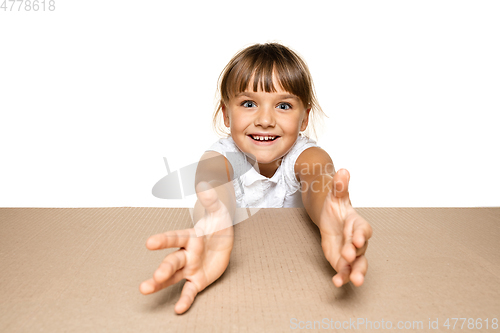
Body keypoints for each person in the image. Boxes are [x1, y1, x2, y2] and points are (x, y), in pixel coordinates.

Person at [139, 43, 373, 314]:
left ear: (304, 118)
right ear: (226, 114)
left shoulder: (305, 155)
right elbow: (213, 188)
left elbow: (318, 179)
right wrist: (211, 224)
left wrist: (332, 214)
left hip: (291, 274)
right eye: (249, 103)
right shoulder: (221, 158)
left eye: (283, 105)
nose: (265, 119)